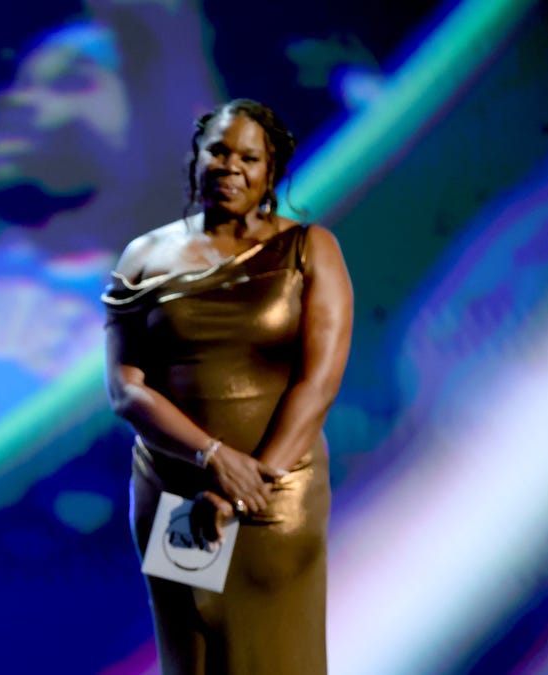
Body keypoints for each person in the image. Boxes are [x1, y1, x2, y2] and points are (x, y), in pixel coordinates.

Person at [103, 98, 353, 674]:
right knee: (195, 651)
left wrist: (246, 484)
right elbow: (125, 388)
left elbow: (318, 383)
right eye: (218, 150)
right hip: (178, 494)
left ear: (272, 170)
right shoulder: (146, 255)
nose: (230, 165)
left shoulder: (309, 250)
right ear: (197, 157)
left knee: (273, 654)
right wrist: (210, 457)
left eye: (249, 156)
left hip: (275, 494)